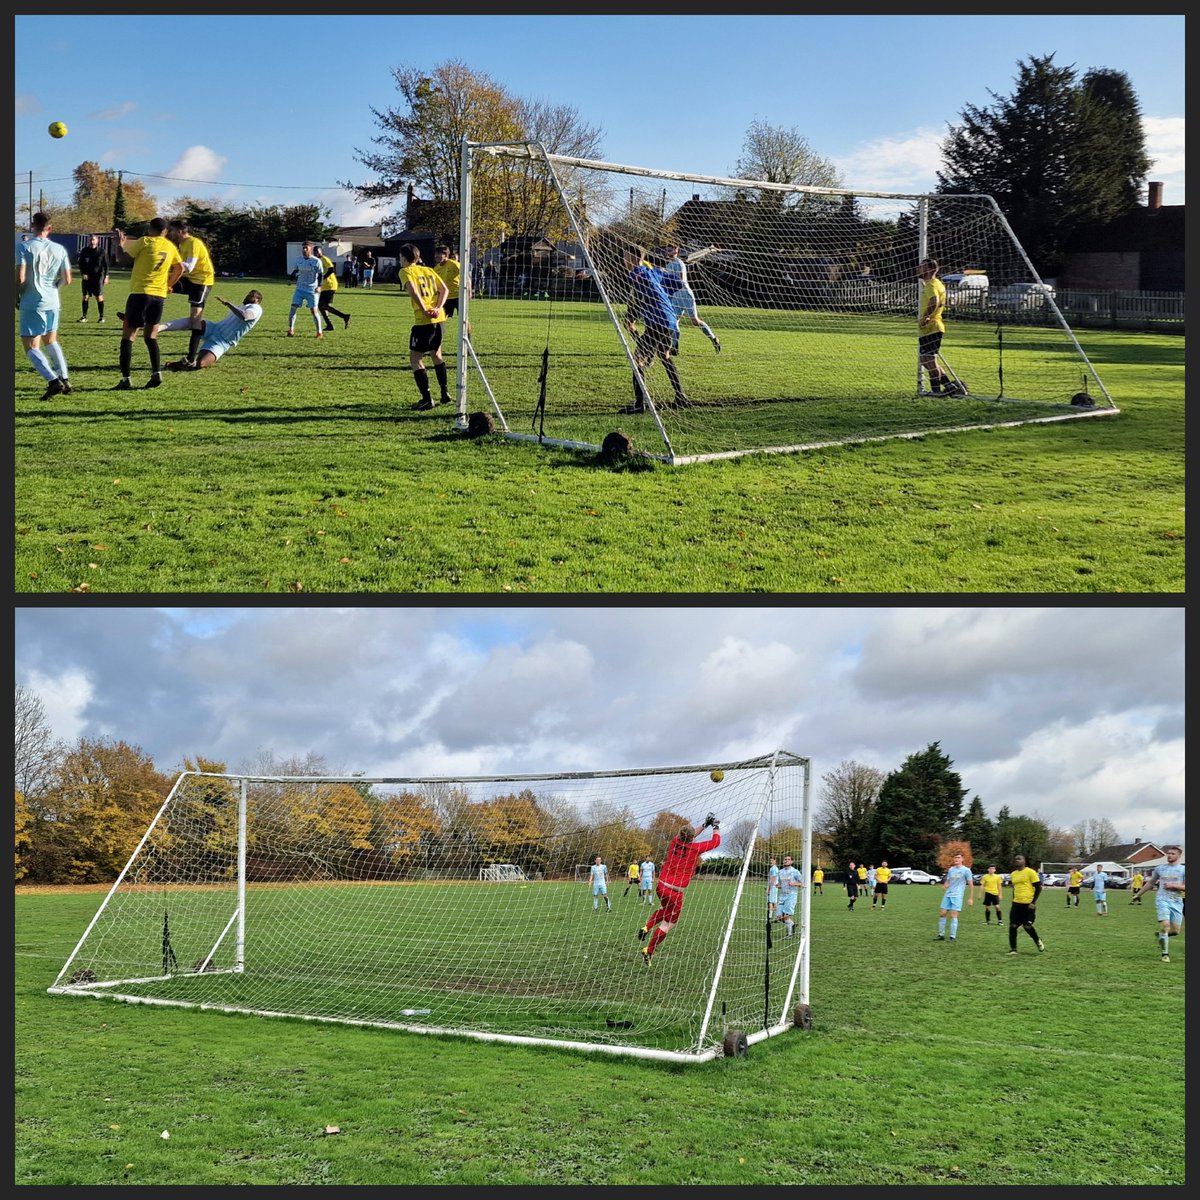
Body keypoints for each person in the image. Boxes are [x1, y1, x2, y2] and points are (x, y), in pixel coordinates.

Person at [638, 813, 720, 965]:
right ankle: (648, 950)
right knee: (668, 924)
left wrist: (704, 824)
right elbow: (716, 842)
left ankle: (646, 927)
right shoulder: (695, 848)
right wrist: (715, 827)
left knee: (664, 908)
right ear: (691, 838)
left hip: (661, 886)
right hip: (675, 892)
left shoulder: (674, 841)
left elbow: (689, 834)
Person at [619, 243, 691, 414]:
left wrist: (631, 316)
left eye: (625, 256)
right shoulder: (655, 272)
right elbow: (678, 283)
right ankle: (680, 397)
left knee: (638, 360)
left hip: (657, 321)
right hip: (669, 320)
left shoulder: (637, 273)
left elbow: (641, 296)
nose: (623, 260)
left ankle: (639, 404)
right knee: (664, 356)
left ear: (634, 259)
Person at [112, 218, 184, 390]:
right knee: (151, 337)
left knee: (128, 337)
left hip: (140, 294)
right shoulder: (170, 246)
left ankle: (126, 379)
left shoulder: (144, 241)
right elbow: (180, 268)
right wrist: (169, 284)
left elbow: (122, 260)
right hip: (158, 297)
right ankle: (156, 374)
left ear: (150, 229)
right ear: (166, 231)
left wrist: (119, 244)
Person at [16, 211, 73, 400]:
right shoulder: (59, 249)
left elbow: (20, 277)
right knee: (51, 340)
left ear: (33, 226)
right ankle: (65, 378)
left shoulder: (24, 247)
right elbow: (67, 279)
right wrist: (54, 288)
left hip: (33, 301)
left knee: (30, 346)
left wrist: (15, 294)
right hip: (53, 301)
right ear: (50, 228)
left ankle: (52, 380)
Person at [398, 242, 451, 410]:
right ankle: (444, 393)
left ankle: (427, 399)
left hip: (424, 321)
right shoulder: (429, 270)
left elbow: (413, 291)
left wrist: (426, 310)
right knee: (436, 354)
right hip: (439, 319)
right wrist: (438, 307)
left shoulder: (405, 271)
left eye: (400, 257)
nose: (400, 260)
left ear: (405, 258)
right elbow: (445, 290)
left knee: (415, 359)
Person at [154, 291, 264, 370]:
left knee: (200, 364)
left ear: (257, 300)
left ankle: (180, 364)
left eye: (251, 296)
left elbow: (245, 316)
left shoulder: (256, 308)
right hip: (214, 328)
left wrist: (228, 304)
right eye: (248, 294)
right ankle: (160, 327)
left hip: (222, 342)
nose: (247, 297)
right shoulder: (243, 305)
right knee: (196, 322)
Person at [165, 219, 216, 369]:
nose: (170, 233)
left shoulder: (193, 243)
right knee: (160, 285)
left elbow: (189, 267)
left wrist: (171, 269)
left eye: (172, 230)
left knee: (195, 320)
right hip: (189, 280)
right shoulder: (182, 244)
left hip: (201, 282)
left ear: (180, 231)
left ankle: (190, 359)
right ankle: (139, 318)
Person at [660, 244, 720, 354]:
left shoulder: (679, 263)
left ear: (676, 250)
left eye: (670, 250)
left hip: (685, 295)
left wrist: (666, 276)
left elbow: (681, 280)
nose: (668, 252)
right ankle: (675, 347)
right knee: (673, 321)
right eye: (667, 250)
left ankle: (714, 339)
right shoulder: (668, 265)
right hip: (675, 297)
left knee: (695, 321)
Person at [916, 258, 964, 397]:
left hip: (932, 326)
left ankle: (937, 391)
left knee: (927, 360)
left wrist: (926, 317)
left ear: (930, 269)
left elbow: (934, 301)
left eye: (922, 267)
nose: (918, 269)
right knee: (929, 360)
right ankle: (948, 387)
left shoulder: (931, 285)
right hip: (932, 327)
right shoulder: (937, 283)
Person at [1130, 845, 1184, 963]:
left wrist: (1174, 886)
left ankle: (1161, 935)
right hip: (1162, 900)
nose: (1169, 855)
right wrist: (1138, 895)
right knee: (1165, 926)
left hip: (1177, 901)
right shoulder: (1160, 868)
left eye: (1172, 854)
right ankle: (1165, 954)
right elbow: (1150, 883)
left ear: (1179, 856)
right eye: (1168, 853)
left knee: (1175, 931)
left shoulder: (1183, 870)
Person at [1007, 854, 1045, 955]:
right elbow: (1015, 888)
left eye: (1019, 859)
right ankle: (1013, 949)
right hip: (1016, 904)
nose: (1017, 860)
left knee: (1027, 926)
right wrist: (1013, 899)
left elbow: (1038, 887)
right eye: (1015, 859)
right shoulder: (1013, 874)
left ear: (1024, 861)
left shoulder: (1030, 872)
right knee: (1013, 926)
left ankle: (1037, 940)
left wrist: (1033, 902)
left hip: (1028, 904)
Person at [287, 241, 326, 338]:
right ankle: (291, 330)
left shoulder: (316, 261)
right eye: (303, 248)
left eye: (306, 248)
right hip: (299, 289)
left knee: (314, 311)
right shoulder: (299, 259)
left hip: (312, 290)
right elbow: (296, 270)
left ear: (311, 249)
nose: (304, 250)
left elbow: (321, 274)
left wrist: (319, 286)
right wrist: (290, 279)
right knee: (293, 308)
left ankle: (319, 332)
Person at [433, 245, 472, 339]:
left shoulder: (454, 264)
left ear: (446, 255)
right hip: (445, 298)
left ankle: (468, 342)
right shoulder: (436, 268)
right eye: (436, 254)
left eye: (439, 254)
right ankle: (436, 343)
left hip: (459, 296)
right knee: (439, 319)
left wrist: (469, 291)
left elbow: (466, 277)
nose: (436, 256)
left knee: (464, 320)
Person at [936, 851, 975, 942]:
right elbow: (948, 881)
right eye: (955, 858)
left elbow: (971, 885)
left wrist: (970, 898)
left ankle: (952, 937)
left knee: (953, 915)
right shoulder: (951, 869)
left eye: (958, 857)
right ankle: (941, 935)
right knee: (942, 913)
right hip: (948, 894)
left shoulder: (966, 870)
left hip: (957, 896)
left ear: (962, 859)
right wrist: (945, 885)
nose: (956, 859)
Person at [314, 245, 351, 332]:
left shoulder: (324, 259)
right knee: (321, 306)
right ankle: (330, 325)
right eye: (314, 251)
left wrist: (323, 277)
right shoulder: (317, 261)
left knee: (324, 305)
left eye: (317, 251)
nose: (316, 253)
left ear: (321, 251)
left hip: (330, 285)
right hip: (324, 286)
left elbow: (331, 269)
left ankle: (344, 316)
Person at [76, 233, 109, 323]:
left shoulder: (102, 252)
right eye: (90, 240)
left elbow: (106, 265)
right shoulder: (84, 251)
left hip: (98, 277)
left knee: (99, 297)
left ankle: (101, 317)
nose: (92, 241)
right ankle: (84, 316)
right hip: (87, 277)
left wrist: (106, 276)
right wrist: (83, 273)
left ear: (97, 241)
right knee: (85, 296)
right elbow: (80, 264)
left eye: (93, 239)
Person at [775, 854, 804, 937]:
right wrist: (778, 886)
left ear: (791, 861)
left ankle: (789, 934)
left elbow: (803, 883)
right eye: (785, 859)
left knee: (786, 915)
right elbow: (781, 884)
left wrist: (795, 883)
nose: (786, 860)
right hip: (782, 896)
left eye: (788, 859)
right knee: (779, 917)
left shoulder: (795, 872)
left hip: (791, 896)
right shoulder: (780, 872)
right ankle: (792, 924)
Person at [766, 856, 780, 920]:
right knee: (773, 901)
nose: (770, 862)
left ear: (775, 861)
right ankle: (776, 916)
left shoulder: (774, 869)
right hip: (774, 887)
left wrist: (769, 889)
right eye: (770, 860)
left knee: (771, 902)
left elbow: (773, 879)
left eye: (772, 860)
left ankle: (770, 916)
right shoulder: (773, 868)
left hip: (773, 887)